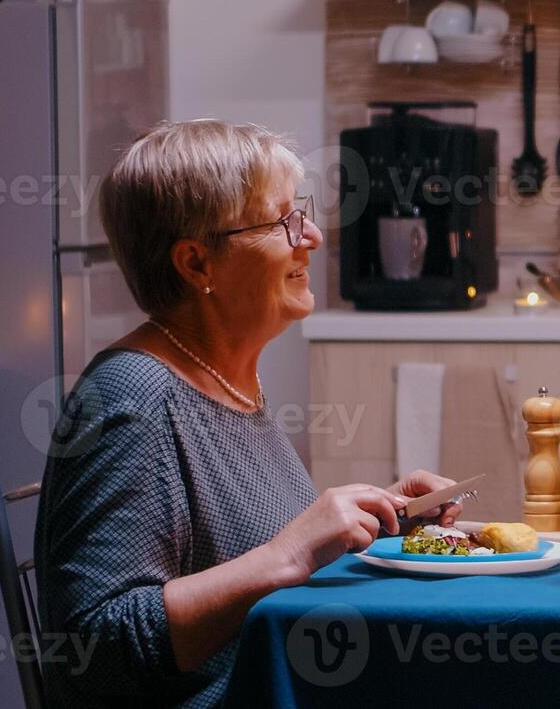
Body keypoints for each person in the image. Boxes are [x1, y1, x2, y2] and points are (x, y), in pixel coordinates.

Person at [36, 120, 466, 707]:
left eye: (302, 212)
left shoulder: (227, 383)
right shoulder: (131, 398)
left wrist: (380, 518)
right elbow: (93, 654)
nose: (311, 235)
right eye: (282, 221)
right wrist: (288, 554)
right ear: (196, 263)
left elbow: (254, 561)